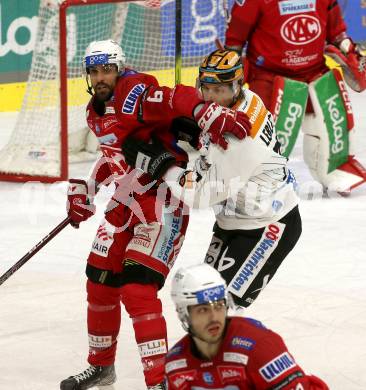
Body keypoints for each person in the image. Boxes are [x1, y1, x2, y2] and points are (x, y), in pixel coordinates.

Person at [60, 40, 251, 390]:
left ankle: (159, 382)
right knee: (98, 282)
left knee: (136, 290)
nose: (101, 77)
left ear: (119, 69)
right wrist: (87, 188)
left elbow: (175, 96)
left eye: (107, 70)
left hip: (162, 202)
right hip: (125, 203)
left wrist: (206, 112)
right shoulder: (95, 111)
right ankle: (101, 367)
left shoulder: (134, 92)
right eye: (95, 71)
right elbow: (112, 156)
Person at [123, 49, 302, 310]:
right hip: (235, 218)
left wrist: (160, 165)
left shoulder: (239, 136)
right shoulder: (243, 102)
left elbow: (201, 194)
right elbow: (212, 140)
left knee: (217, 309)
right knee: (200, 303)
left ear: (237, 85)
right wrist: (195, 131)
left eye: (220, 90)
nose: (211, 98)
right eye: (207, 88)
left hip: (268, 226)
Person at [225, 0, 366, 194]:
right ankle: (255, 178)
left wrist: (347, 47)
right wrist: (230, 73)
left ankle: (334, 170)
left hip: (315, 72)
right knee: (265, 136)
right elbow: (234, 41)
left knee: (333, 123)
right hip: (269, 77)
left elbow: (336, 32)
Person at [165, 263, 329, 389]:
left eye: (219, 306)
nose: (214, 317)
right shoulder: (175, 365)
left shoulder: (258, 346)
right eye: (203, 310)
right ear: (183, 313)